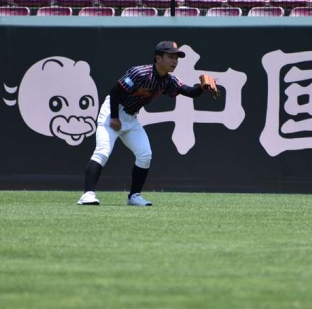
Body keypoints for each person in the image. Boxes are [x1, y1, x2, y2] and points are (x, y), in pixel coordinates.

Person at [77, 41, 217, 206]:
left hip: (131, 118)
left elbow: (190, 92)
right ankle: (87, 195)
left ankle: (134, 196)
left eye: (176, 58)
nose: (175, 61)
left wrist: (202, 88)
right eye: (170, 57)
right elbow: (115, 92)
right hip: (112, 112)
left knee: (145, 155)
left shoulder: (169, 80)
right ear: (158, 58)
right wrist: (114, 117)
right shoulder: (140, 73)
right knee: (102, 152)